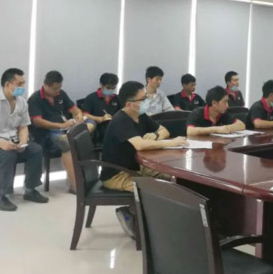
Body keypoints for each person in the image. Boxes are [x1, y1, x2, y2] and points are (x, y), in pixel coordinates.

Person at [100, 81, 188, 236]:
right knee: (156, 188)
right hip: (116, 174)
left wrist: (155, 135)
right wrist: (171, 143)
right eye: (143, 99)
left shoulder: (140, 116)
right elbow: (140, 145)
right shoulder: (121, 120)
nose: (147, 101)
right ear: (129, 104)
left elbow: (164, 130)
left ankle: (173, 222)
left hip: (136, 167)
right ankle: (131, 215)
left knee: (174, 179)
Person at [0, 68, 48, 211]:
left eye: (23, 83)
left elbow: (23, 127)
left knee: (36, 150)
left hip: (12, 142)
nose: (22, 87)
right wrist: (1, 144)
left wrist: (23, 142)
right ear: (7, 84)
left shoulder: (22, 103)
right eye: (19, 84)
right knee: (7, 155)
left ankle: (30, 190)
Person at [28, 70, 90, 193]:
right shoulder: (35, 99)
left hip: (64, 128)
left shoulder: (61, 94)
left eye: (59, 88)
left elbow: (74, 109)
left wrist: (78, 115)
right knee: (68, 144)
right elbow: (37, 122)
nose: (57, 91)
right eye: (55, 88)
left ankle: (85, 179)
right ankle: (75, 186)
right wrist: (60, 125)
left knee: (83, 138)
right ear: (46, 85)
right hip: (46, 133)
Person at [81, 72, 121, 144]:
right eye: (108, 88)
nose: (111, 90)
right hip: (99, 129)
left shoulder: (117, 98)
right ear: (101, 85)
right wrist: (101, 119)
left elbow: (122, 113)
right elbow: (84, 115)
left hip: (114, 126)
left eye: (113, 88)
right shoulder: (91, 98)